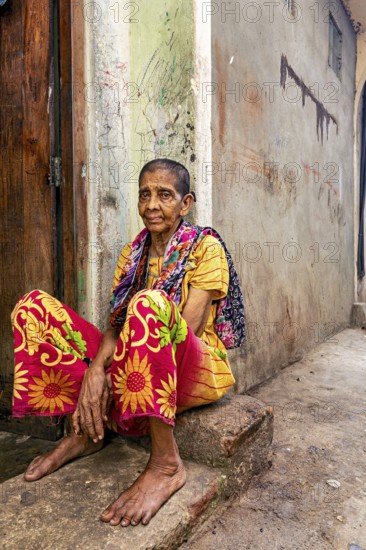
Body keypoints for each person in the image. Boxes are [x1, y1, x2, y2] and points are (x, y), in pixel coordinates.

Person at [11, 158, 245, 527]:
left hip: (191, 364)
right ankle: (88, 430)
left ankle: (166, 463)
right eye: (145, 195)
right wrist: (95, 375)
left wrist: (114, 369)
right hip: (137, 362)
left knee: (149, 303)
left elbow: (188, 329)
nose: (152, 205)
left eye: (165, 195)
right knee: (33, 308)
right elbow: (114, 328)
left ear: (185, 204)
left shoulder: (205, 248)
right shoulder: (132, 255)